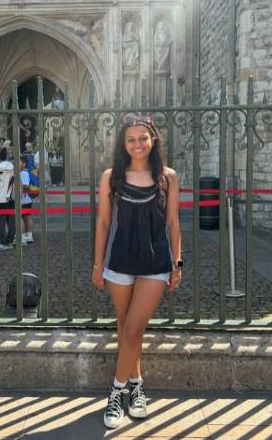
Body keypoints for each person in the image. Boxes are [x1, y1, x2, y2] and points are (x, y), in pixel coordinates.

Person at [92, 115, 182, 428]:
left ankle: (116, 393)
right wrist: (97, 264)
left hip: (156, 263)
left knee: (133, 329)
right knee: (124, 325)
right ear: (123, 143)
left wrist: (177, 262)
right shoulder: (111, 176)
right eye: (131, 139)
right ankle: (137, 385)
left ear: (153, 139)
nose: (137, 144)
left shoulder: (167, 177)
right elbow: (103, 223)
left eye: (143, 138)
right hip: (120, 260)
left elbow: (173, 222)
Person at [0, 148, 15, 251]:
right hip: (10, 196)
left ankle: (1, 241)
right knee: (11, 220)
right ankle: (10, 240)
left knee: (0, 221)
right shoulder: (13, 167)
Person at [19, 156, 34, 244]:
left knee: (23, 217)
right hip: (27, 199)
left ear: (24, 164)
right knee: (27, 217)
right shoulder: (26, 172)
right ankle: (29, 235)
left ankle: (24, 236)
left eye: (19, 162)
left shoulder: (23, 173)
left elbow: (25, 186)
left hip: (23, 199)